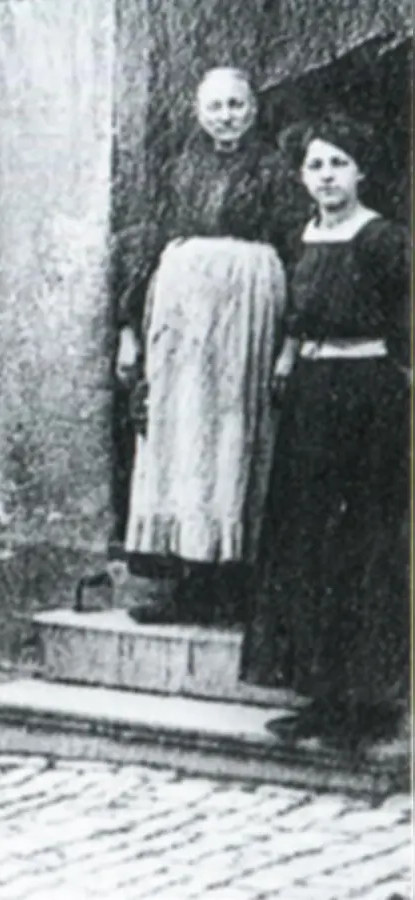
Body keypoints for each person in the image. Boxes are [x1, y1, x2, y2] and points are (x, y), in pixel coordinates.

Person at [240, 114, 410, 749]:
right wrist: (287, 358)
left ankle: (368, 706)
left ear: (360, 171)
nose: (327, 175)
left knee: (359, 544)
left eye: (338, 163)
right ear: (302, 178)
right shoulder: (303, 236)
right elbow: (297, 314)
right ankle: (319, 694)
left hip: (366, 402)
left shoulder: (385, 240)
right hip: (310, 401)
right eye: (315, 166)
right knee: (306, 541)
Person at [113, 67, 304, 625]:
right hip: (178, 323)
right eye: (216, 106)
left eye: (237, 105)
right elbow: (143, 250)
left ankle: (231, 583)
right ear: (198, 111)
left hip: (247, 316)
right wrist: (128, 331)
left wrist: (290, 340)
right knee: (179, 436)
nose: (226, 115)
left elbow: (298, 255)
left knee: (233, 434)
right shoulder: (177, 171)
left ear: (253, 110)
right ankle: (184, 582)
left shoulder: (276, 173)